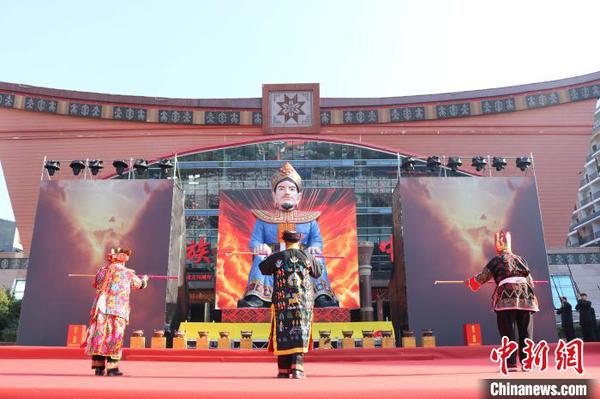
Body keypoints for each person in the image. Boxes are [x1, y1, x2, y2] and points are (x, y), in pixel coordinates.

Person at [238, 162, 338, 308]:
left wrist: (315, 248)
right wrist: (260, 246)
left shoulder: (309, 220)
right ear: (274, 195)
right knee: (260, 257)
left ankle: (321, 296)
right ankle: (257, 296)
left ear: (299, 196)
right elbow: (254, 241)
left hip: (302, 258)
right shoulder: (263, 219)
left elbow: (317, 241)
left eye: (292, 189)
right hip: (273, 258)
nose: (287, 192)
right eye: (281, 188)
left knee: (317, 258)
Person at [465, 230, 539, 372]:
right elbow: (531, 281)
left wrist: (470, 282)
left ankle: (511, 364)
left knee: (508, 332)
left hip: (507, 298)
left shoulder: (496, 260)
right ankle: (527, 362)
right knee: (526, 333)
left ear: (497, 246)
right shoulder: (521, 259)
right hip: (526, 298)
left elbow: (481, 278)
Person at [259, 230, 321, 379]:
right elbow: (318, 272)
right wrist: (313, 259)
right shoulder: (306, 256)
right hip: (302, 304)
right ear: (299, 241)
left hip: (283, 304)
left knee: (283, 333)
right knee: (300, 333)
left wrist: (270, 257)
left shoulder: (278, 257)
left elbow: (263, 268)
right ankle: (297, 370)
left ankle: (283, 371)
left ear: (284, 241)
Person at [83, 247, 148, 376]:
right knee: (114, 336)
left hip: (100, 309)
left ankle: (99, 367)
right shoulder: (128, 272)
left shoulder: (102, 271)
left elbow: (95, 284)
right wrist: (145, 280)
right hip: (117, 310)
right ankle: (112, 369)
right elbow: (139, 285)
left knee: (99, 335)